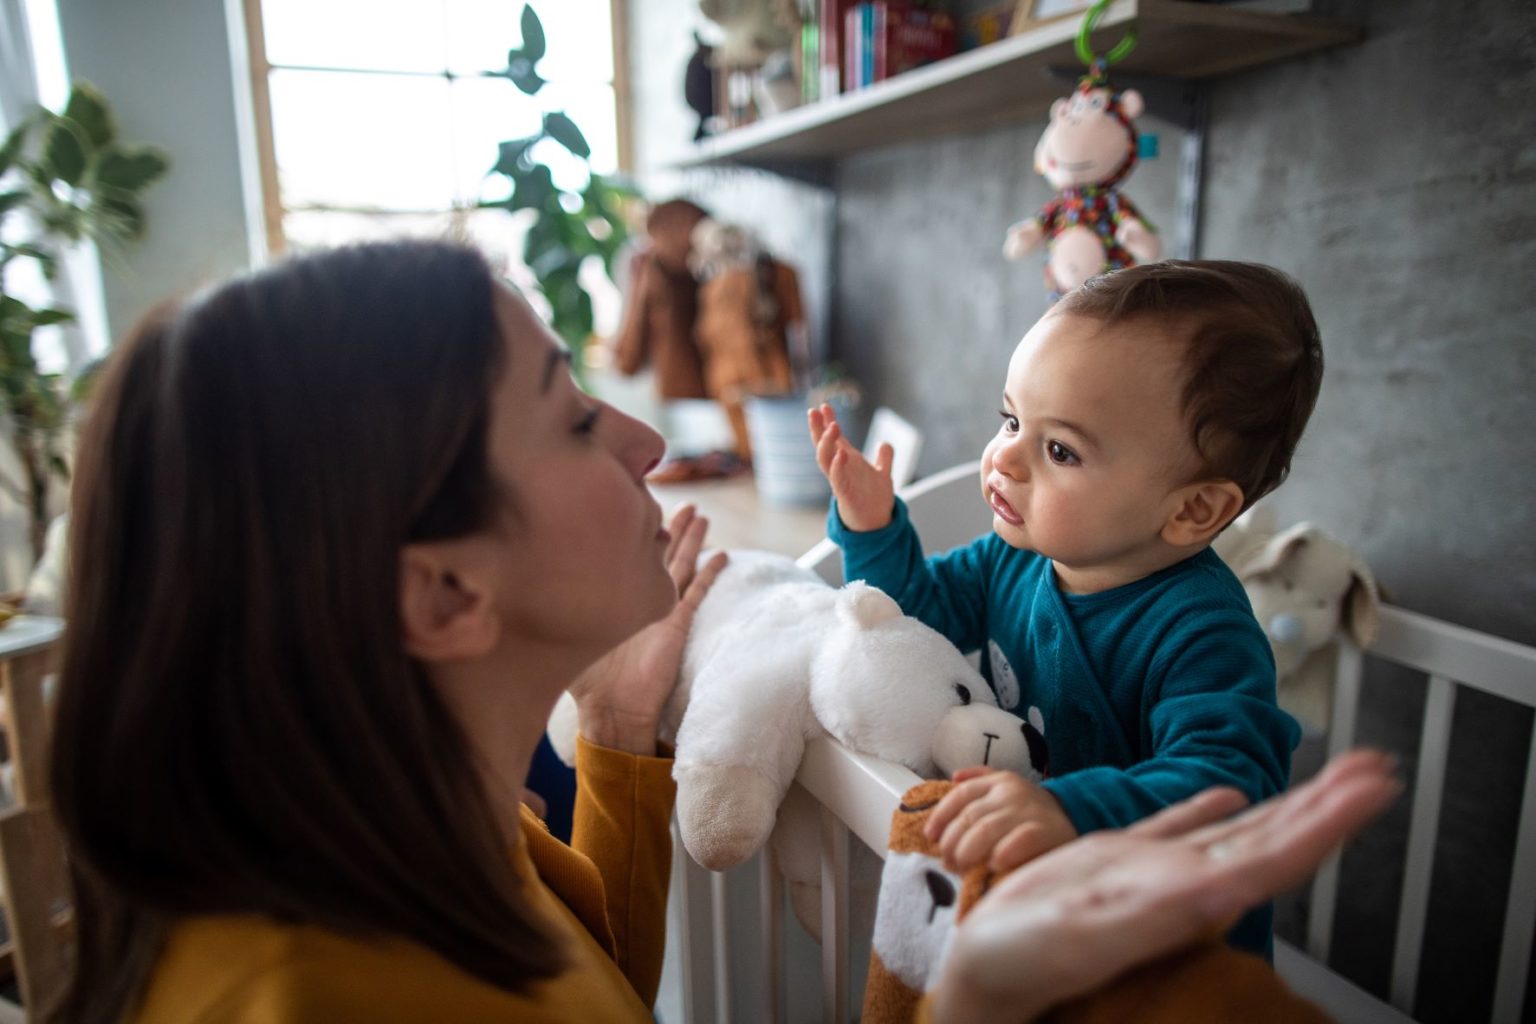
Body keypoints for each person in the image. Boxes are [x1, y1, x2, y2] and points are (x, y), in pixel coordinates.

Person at [46, 241, 1390, 1024]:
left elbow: (594, 990)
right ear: (445, 595)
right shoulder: (320, 992)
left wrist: (623, 737)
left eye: (1059, 445)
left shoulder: (442, 837)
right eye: (575, 416)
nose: (646, 440)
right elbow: (905, 613)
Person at [809, 259, 1325, 958]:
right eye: (1010, 419)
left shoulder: (1203, 632)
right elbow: (912, 621)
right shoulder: (1012, 559)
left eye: (1059, 449)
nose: (1005, 459)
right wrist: (873, 530)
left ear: (1194, 508)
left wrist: (1070, 809)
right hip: (1048, 924)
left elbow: (1229, 785)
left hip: (1169, 957)